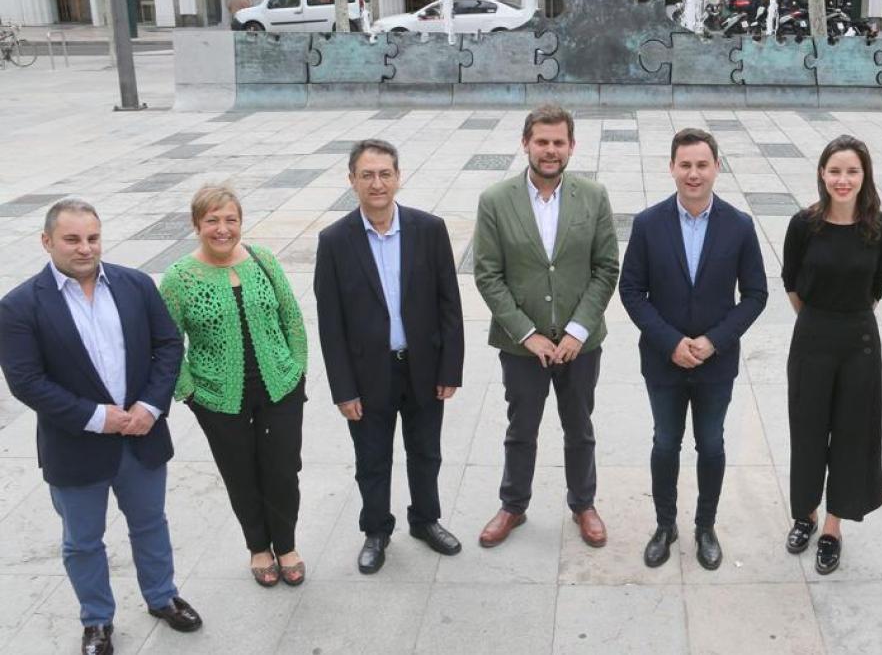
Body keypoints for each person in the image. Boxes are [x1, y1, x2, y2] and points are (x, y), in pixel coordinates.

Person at [0, 199, 202, 655]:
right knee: (82, 542)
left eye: (92, 237)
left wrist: (151, 406)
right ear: (47, 241)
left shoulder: (134, 285)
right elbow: (26, 382)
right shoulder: (18, 307)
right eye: (72, 239)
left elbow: (169, 345)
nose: (85, 248)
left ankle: (162, 597)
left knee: (150, 523)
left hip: (141, 436)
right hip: (75, 447)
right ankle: (97, 621)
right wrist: (97, 417)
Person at [619, 128, 768, 571]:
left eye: (702, 165)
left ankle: (706, 526)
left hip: (715, 364)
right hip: (663, 362)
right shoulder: (648, 224)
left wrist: (713, 341)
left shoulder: (739, 226)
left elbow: (756, 294)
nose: (693, 173)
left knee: (711, 445)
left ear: (716, 168)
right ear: (671, 168)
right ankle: (665, 526)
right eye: (685, 165)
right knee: (665, 444)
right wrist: (670, 342)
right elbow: (631, 291)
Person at [314, 139, 465, 574]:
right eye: (367, 175)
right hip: (368, 375)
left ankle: (425, 520)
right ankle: (376, 530)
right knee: (373, 459)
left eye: (384, 174)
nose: (376, 183)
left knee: (426, 452)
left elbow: (448, 304)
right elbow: (331, 325)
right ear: (352, 181)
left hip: (423, 369)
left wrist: (449, 368)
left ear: (398, 177)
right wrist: (343, 388)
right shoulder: (335, 241)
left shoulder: (429, 229)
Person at [474, 104, 620, 549]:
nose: (550, 150)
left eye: (559, 142)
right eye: (542, 141)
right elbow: (487, 274)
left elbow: (606, 267)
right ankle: (513, 506)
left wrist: (577, 330)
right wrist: (526, 332)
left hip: (580, 344)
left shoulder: (593, 196)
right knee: (521, 429)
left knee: (580, 427)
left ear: (571, 147)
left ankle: (583, 504)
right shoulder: (495, 200)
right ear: (526, 144)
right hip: (523, 347)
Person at [159, 185, 309, 587]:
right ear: (197, 225)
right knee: (240, 472)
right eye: (212, 220)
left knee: (282, 470)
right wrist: (189, 392)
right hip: (218, 396)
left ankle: (287, 544)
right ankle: (259, 548)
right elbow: (167, 343)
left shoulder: (263, 260)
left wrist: (298, 370)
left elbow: (291, 318)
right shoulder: (178, 278)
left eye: (230, 220)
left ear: (240, 222)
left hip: (279, 386)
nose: (222, 229)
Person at [781, 136, 882, 574]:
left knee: (851, 435)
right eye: (835, 171)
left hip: (859, 342)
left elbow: (878, 286)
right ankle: (806, 514)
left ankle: (832, 527)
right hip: (812, 335)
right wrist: (816, 320)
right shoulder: (803, 224)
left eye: (852, 171)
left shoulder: (881, 227)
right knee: (808, 431)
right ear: (822, 174)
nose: (842, 180)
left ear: (864, 176)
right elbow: (791, 280)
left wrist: (848, 321)